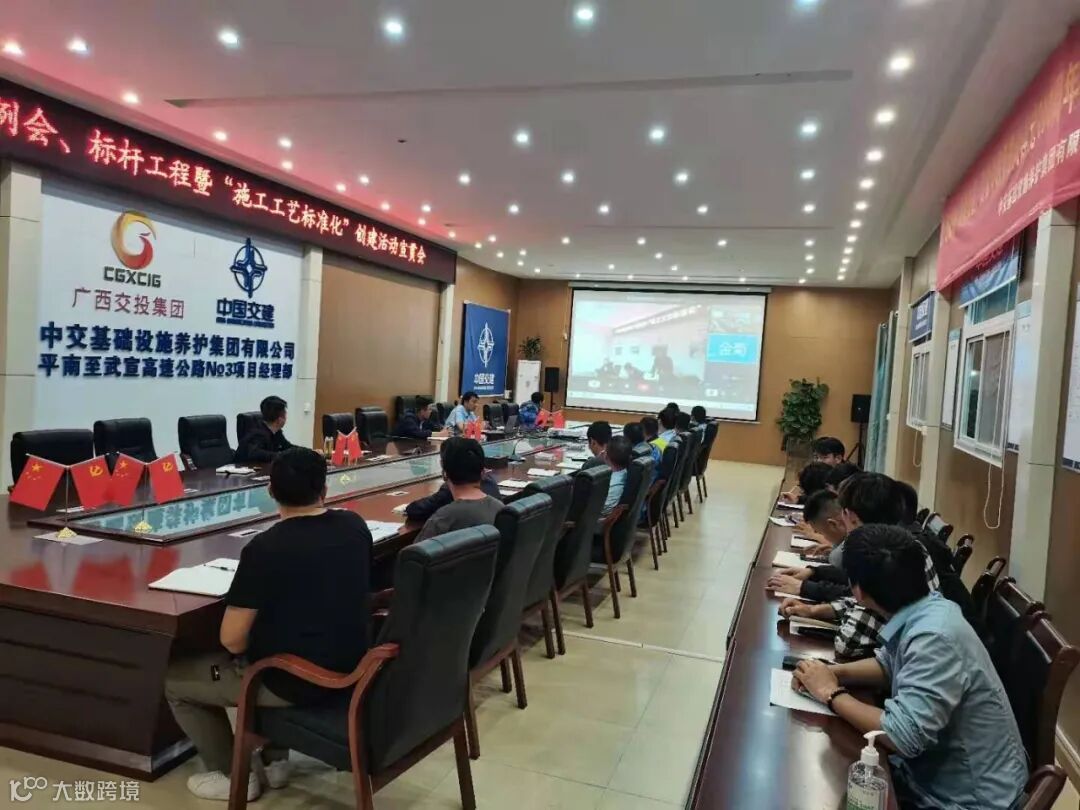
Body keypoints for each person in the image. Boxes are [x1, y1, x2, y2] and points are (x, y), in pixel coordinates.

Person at [166, 448, 373, 801]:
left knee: (175, 680)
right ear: (324, 489)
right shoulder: (355, 526)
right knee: (285, 633)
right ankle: (277, 761)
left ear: (271, 492)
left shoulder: (266, 548)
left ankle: (235, 775)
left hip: (293, 681)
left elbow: (232, 640)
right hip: (353, 666)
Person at [791, 526, 1027, 810]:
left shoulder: (935, 636)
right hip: (934, 778)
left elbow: (903, 737)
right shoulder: (928, 608)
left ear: (858, 591)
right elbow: (890, 665)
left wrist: (831, 694)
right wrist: (834, 673)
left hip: (967, 800)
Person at [415, 437, 504, 542]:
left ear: (444, 473)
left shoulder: (442, 519)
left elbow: (414, 552)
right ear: (483, 473)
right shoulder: (501, 510)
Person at [235, 395, 292, 463]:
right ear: (279, 420)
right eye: (285, 414)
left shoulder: (276, 432)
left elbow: (287, 446)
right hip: (245, 467)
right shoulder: (258, 434)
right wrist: (280, 455)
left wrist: (300, 453)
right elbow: (254, 453)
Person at [599, 436, 632, 518]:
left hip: (601, 521)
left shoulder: (610, 484)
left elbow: (602, 511)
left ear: (606, 456)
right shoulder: (629, 474)